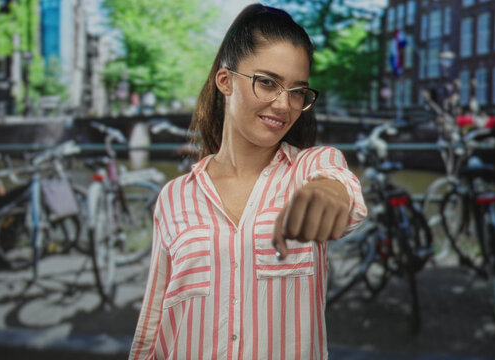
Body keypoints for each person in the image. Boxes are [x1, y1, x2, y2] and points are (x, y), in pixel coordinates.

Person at [129, 4, 367, 359]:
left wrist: (329, 193)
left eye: (297, 90)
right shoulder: (174, 197)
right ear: (225, 81)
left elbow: (341, 186)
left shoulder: (310, 168)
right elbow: (153, 325)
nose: (284, 105)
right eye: (268, 83)